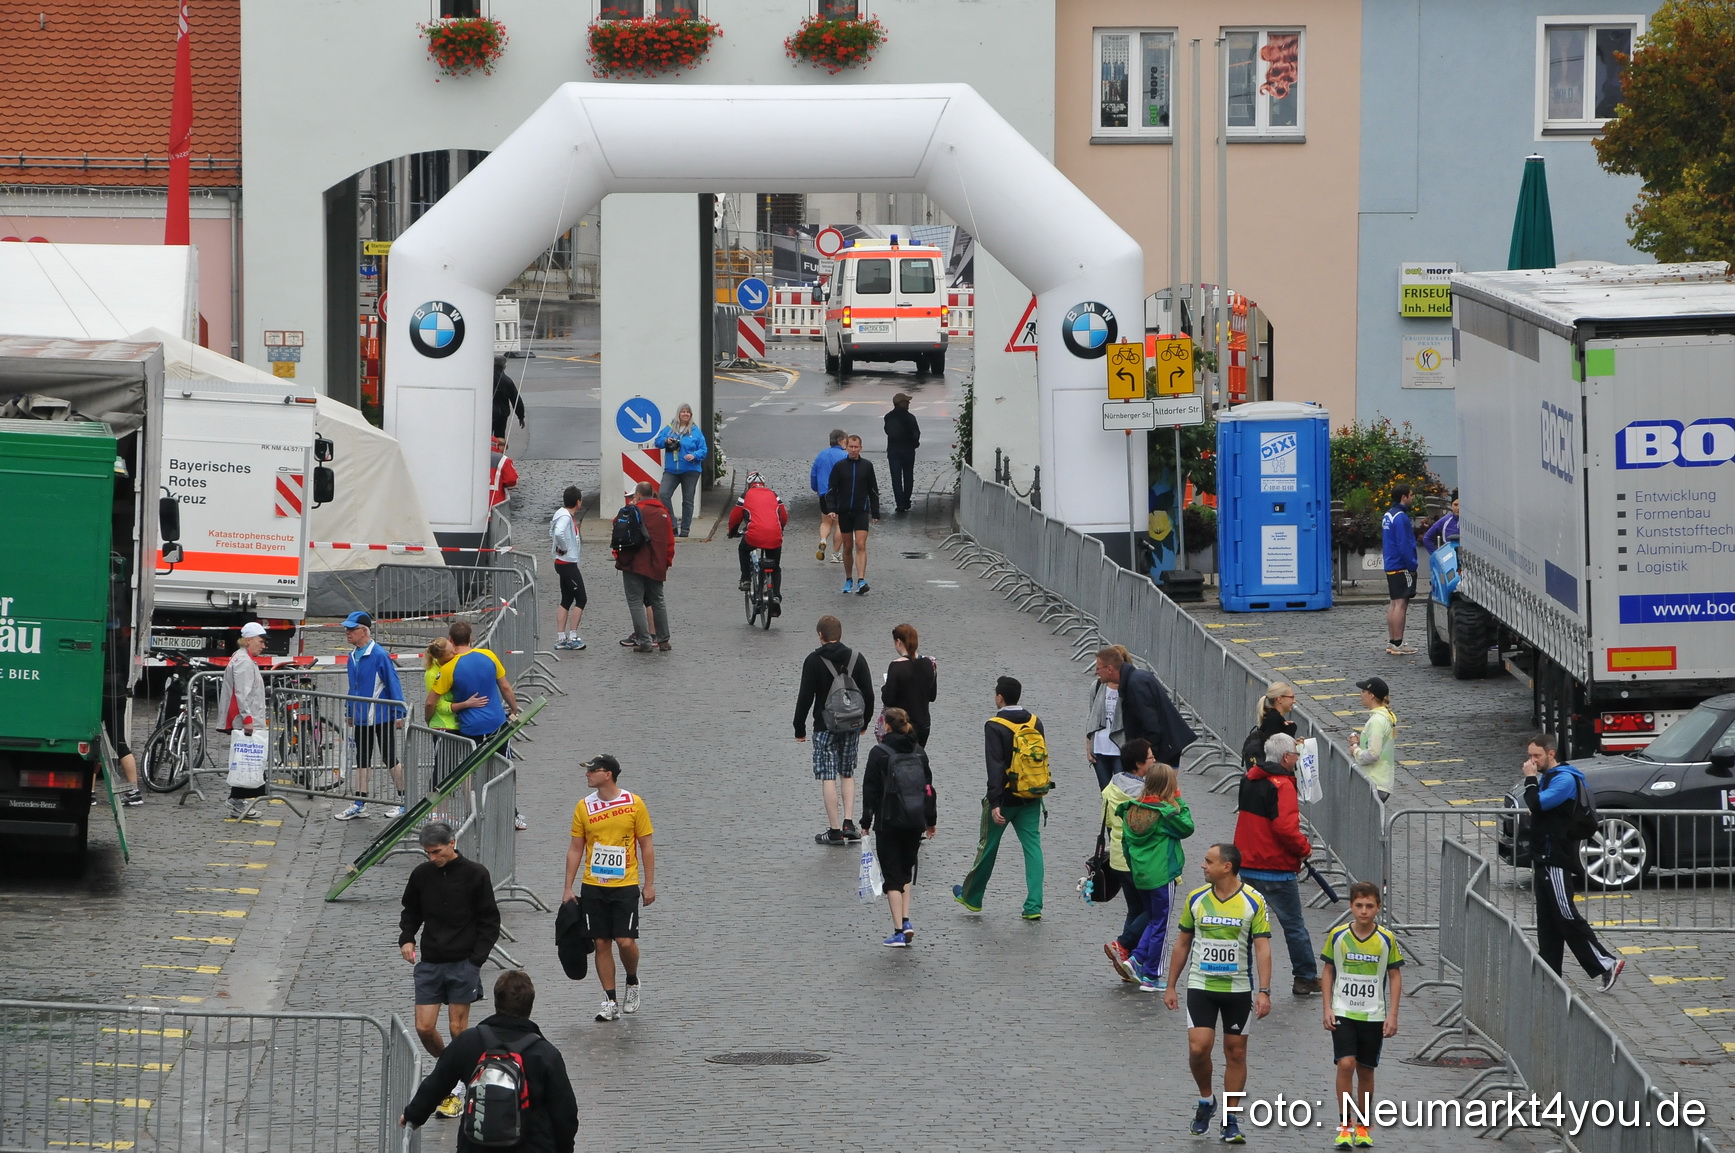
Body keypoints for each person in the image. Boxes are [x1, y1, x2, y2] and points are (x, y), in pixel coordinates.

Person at [1162, 843, 1273, 1145]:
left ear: (1227, 867)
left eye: (1208, 861)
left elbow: (1262, 947)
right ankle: (1206, 1100)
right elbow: (1183, 943)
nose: (1203, 866)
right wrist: (1170, 984)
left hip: (1238, 988)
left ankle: (1231, 1117)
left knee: (1235, 1053)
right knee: (1199, 1048)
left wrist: (1264, 991)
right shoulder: (1197, 899)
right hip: (1202, 985)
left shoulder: (1253, 901)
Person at [399, 969, 579, 1150]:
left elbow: (437, 1083)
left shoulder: (468, 1041)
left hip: (476, 1145)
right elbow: (565, 1112)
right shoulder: (545, 1053)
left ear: (496, 1001)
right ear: (530, 1006)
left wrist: (413, 1115)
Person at [399, 820, 501, 1120]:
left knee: (458, 1029)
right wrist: (406, 937)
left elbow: (489, 921)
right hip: (430, 962)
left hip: (463, 963)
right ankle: (454, 1074)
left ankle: (454, 1083)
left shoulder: (476, 874)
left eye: (437, 851)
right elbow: (411, 910)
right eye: (428, 853)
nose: (433, 858)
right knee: (424, 1027)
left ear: (452, 843)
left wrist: (476, 960)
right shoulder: (421, 875)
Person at [1522, 733, 1623, 989]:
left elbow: (1536, 803)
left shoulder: (1563, 779)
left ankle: (1605, 962)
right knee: (1548, 920)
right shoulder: (1550, 778)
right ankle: (1550, 974)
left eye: (1537, 756)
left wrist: (1530, 779)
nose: (1532, 761)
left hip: (1555, 857)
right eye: (1530, 756)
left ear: (1551, 753)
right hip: (1543, 857)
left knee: (1566, 914)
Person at [560, 754, 656, 1022]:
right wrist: (568, 886)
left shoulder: (634, 804)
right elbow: (576, 847)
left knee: (625, 941)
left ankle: (632, 981)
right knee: (601, 942)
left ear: (608, 774)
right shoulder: (583, 807)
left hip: (625, 884)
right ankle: (610, 999)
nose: (587, 775)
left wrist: (648, 884)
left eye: (592, 771)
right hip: (594, 884)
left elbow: (646, 845)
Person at [953, 675, 1047, 920]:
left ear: (1000, 697)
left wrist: (995, 802)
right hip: (1031, 794)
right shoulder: (1035, 722)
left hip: (1005, 798)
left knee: (988, 847)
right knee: (1033, 848)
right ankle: (1034, 906)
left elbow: (994, 765)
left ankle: (972, 897)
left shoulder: (994, 724)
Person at [1235, 732, 1321, 996]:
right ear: (1285, 757)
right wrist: (1304, 849)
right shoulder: (1282, 785)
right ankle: (1305, 976)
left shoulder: (1248, 779)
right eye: (1295, 756)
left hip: (1247, 862)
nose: (1296, 761)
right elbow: (1284, 828)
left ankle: (1240, 976)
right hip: (1275, 868)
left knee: (1247, 927)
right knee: (1293, 925)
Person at [1321, 882, 1404, 1149]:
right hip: (1344, 1010)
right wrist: (1327, 1007)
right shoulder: (1337, 936)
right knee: (1345, 1064)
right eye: (1359, 905)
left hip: (1373, 1014)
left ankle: (1364, 1126)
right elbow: (1327, 971)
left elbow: (1394, 975)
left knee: (1366, 1071)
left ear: (1378, 908)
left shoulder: (1386, 939)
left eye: (1369, 906)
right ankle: (1345, 1125)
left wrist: (1392, 1014)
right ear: (1351, 906)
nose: (1364, 911)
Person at [859, 707, 937, 947]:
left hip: (889, 821)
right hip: (915, 821)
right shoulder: (919, 752)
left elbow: (870, 790)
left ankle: (899, 931)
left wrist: (865, 822)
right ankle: (906, 919)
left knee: (892, 877)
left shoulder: (879, 753)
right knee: (905, 871)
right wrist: (930, 820)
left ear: (888, 726)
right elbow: (928, 789)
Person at [794, 615, 875, 846]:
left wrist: (799, 727)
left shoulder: (813, 660)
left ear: (820, 635)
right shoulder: (857, 658)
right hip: (851, 725)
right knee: (847, 772)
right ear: (840, 634)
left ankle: (834, 829)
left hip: (824, 725)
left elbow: (805, 697)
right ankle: (850, 823)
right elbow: (868, 694)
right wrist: (864, 723)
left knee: (828, 775)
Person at [1120, 760, 1195, 993]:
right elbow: (1187, 827)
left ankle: (1137, 958)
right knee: (1160, 924)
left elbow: (1124, 844)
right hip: (1162, 875)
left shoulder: (1131, 810)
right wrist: (1178, 800)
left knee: (1153, 919)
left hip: (1140, 874)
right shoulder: (1166, 814)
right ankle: (1151, 974)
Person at [336, 611, 406, 821]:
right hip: (361, 716)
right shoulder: (352, 656)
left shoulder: (379, 655)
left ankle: (405, 801)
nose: (347, 633)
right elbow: (353, 687)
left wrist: (399, 713)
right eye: (346, 629)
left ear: (363, 631)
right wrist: (350, 710)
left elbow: (393, 683)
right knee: (362, 758)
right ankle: (359, 803)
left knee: (389, 757)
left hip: (381, 716)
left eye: (351, 629)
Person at [1101, 737, 1153, 983]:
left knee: (1135, 909)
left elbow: (1110, 823)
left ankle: (1126, 965)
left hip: (1117, 858)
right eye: (1151, 758)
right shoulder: (1144, 794)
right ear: (1139, 765)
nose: (1154, 761)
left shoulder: (1112, 786)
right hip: (1138, 859)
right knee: (1154, 911)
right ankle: (1122, 946)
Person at [1094, 645, 1196, 766]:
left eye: (1098, 668)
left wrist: (1145, 758)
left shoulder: (1135, 684)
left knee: (1159, 785)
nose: (1096, 672)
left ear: (1109, 669)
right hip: (1165, 748)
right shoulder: (1137, 677)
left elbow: (1151, 726)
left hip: (1162, 753)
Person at [432, 620, 522, 744]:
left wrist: (429, 720)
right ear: (470, 638)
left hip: (471, 725)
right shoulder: (489, 655)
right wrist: (514, 708)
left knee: (473, 762)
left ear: (450, 639)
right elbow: (505, 686)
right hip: (496, 721)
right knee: (502, 762)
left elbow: (431, 701)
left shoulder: (448, 668)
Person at [613, 481, 675, 653]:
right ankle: (663, 640)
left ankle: (644, 641)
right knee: (658, 601)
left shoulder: (634, 510)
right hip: (657, 564)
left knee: (635, 602)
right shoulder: (663, 513)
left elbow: (617, 527)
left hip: (634, 563)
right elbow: (670, 542)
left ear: (638, 495)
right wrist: (666, 562)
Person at [217, 621, 270, 819]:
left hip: (245, 718)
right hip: (245, 719)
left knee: (246, 760)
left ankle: (238, 800)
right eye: (261, 641)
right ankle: (236, 800)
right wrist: (247, 718)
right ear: (249, 640)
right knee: (247, 761)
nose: (263, 646)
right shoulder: (244, 662)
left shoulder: (242, 659)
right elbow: (242, 693)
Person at [826, 434, 882, 595]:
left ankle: (861, 579)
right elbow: (831, 489)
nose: (853, 449)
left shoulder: (867, 466)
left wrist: (875, 511)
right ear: (846, 447)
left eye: (856, 447)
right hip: (844, 512)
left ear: (861, 448)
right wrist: (832, 508)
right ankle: (849, 578)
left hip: (861, 511)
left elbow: (873, 490)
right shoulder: (839, 466)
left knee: (861, 545)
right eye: (851, 446)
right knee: (848, 546)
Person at [728, 470, 788, 608]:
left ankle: (746, 579)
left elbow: (735, 517)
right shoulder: (774, 495)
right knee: (775, 567)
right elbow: (783, 516)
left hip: (754, 536)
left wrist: (732, 532)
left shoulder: (745, 495)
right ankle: (776, 595)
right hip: (774, 535)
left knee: (743, 549)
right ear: (763, 484)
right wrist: (780, 529)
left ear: (749, 485)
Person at [654, 403, 707, 538]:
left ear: (690, 415)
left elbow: (703, 450)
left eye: (688, 412)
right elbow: (658, 442)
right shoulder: (670, 428)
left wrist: (694, 455)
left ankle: (685, 530)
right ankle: (672, 526)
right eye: (683, 412)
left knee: (688, 501)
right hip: (672, 470)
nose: (685, 414)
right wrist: (666, 440)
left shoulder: (695, 431)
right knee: (663, 494)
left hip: (691, 470)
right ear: (678, 414)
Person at [879, 623, 937, 747]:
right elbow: (932, 696)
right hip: (923, 724)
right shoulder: (929, 663)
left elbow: (888, 699)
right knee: (917, 760)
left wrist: (884, 687)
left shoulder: (896, 666)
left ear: (899, 642)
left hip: (902, 725)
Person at [1085, 643, 1131, 790]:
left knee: (1122, 792)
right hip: (1100, 747)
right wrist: (1088, 747)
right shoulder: (1097, 686)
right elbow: (1091, 716)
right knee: (1105, 793)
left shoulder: (1130, 686)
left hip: (1121, 748)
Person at [549, 485, 587, 650]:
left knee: (566, 599)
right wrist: (563, 547)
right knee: (581, 598)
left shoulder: (562, 514)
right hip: (567, 563)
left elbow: (553, 532)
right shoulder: (565, 517)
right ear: (578, 502)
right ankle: (572, 637)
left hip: (563, 562)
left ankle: (561, 637)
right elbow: (558, 533)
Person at [1382, 484, 1418, 654]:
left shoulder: (1388, 515)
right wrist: (1412, 565)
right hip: (1401, 565)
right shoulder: (1401, 517)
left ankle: (1392, 641)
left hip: (1390, 564)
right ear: (1403, 497)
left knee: (1394, 603)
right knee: (1401, 605)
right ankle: (1398, 642)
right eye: (1411, 495)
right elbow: (1405, 544)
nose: (1413, 498)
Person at [1348, 677, 1396, 802]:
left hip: (1375, 782)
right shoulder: (1383, 717)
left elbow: (1373, 754)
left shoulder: (1376, 721)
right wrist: (1361, 742)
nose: (1361, 694)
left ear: (1371, 695)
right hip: (1380, 781)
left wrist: (1355, 750)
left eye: (1363, 691)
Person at [810, 428, 849, 564]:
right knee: (840, 523)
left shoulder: (821, 455)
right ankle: (836, 554)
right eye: (846, 440)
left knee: (826, 521)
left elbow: (814, 473)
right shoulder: (844, 456)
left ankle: (823, 540)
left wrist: (816, 488)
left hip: (824, 493)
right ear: (840, 441)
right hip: (839, 493)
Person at [1242, 682, 1298, 769]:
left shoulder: (1272, 716)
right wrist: (1290, 730)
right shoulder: (1274, 719)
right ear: (1279, 699)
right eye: (1292, 697)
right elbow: (1275, 748)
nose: (1294, 701)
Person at [883, 392, 920, 515]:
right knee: (908, 476)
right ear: (901, 403)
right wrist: (915, 443)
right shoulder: (910, 417)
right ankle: (906, 500)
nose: (909, 403)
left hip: (893, 451)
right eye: (907, 401)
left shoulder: (888, 417)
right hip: (908, 450)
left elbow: (887, 431)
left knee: (896, 477)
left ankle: (899, 503)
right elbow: (916, 433)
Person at [491, 355, 526, 442]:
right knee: (500, 437)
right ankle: (499, 454)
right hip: (501, 414)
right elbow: (516, 399)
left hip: (487, 413)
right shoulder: (507, 381)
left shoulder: (484, 378)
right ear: (504, 366)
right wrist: (521, 416)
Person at [488, 436, 519, 509]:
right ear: (497, 445)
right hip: (495, 501)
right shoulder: (503, 459)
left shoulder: (471, 458)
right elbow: (511, 480)